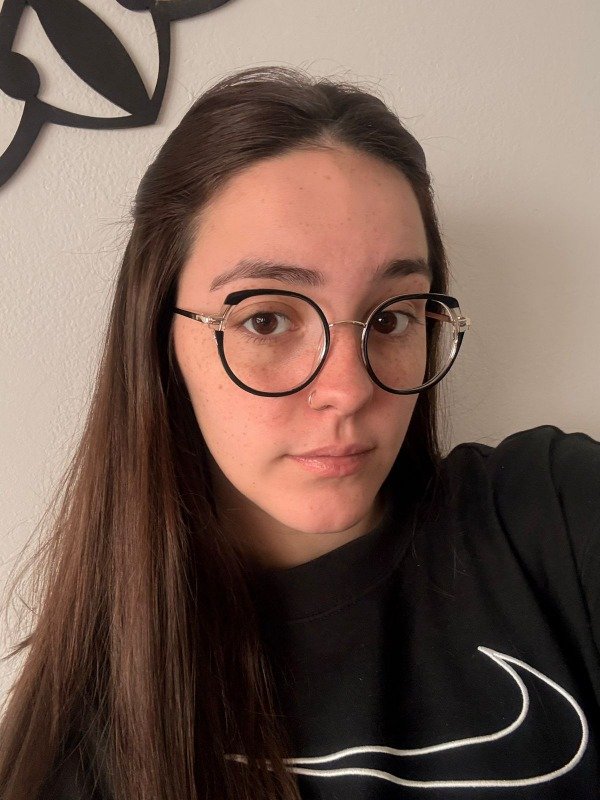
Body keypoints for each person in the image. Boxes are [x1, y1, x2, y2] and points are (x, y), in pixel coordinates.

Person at [0, 65, 598, 800]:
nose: (348, 389)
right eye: (265, 319)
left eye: (392, 318)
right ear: (159, 339)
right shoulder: (74, 744)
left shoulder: (550, 516)